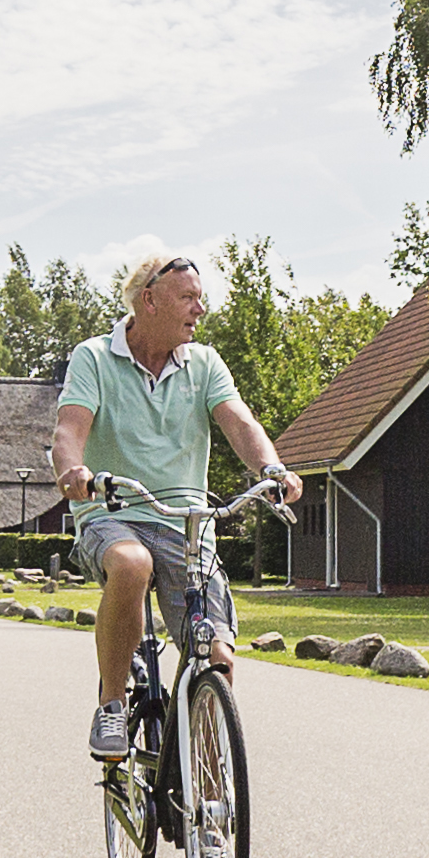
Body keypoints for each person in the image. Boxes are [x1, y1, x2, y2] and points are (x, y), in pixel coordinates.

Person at [52, 246, 298, 761]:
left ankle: (207, 795)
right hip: (113, 509)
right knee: (132, 563)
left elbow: (240, 423)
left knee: (217, 660)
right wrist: (73, 471)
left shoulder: (204, 363)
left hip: (186, 521)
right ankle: (112, 703)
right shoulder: (94, 357)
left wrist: (271, 469)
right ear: (150, 301)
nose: (199, 310)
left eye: (200, 299)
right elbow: (68, 429)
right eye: (187, 298)